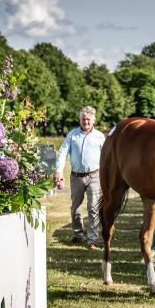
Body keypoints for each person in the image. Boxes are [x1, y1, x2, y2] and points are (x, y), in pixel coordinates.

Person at [55, 106, 106, 250]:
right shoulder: (72, 135)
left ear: (94, 120)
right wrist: (59, 172)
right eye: (83, 119)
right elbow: (62, 153)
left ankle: (92, 239)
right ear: (80, 120)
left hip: (94, 177)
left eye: (88, 119)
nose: (86, 122)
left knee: (93, 208)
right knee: (75, 209)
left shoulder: (100, 137)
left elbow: (106, 158)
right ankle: (78, 234)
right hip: (76, 177)